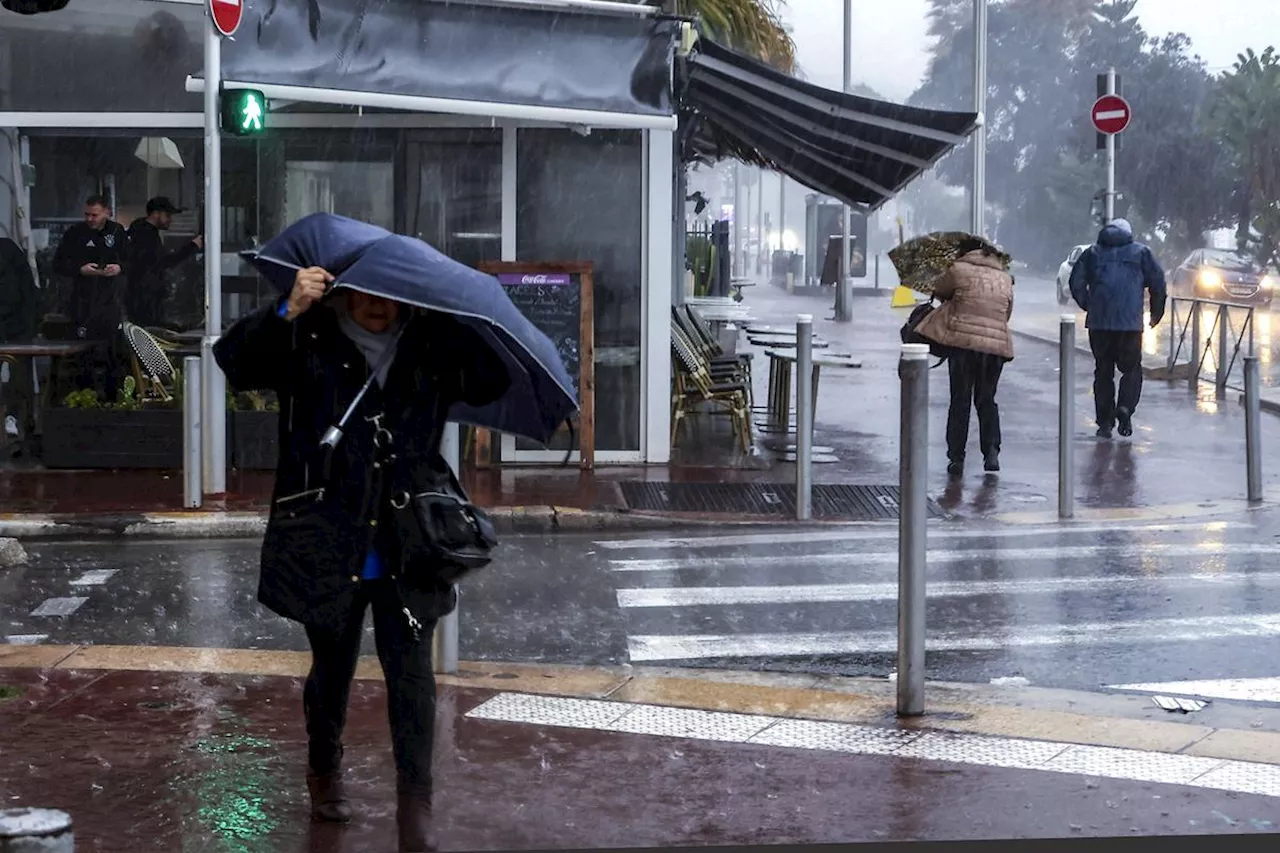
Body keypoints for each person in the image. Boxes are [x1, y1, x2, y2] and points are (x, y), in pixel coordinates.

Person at [213, 266, 510, 852]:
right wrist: (286, 309)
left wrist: (456, 319)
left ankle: (415, 802)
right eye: (367, 292)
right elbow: (237, 364)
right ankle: (324, 772)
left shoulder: (429, 342)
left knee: (412, 674)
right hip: (331, 532)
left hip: (410, 539)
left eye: (393, 294)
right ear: (343, 291)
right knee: (333, 667)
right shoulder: (310, 337)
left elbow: (487, 381)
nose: (379, 305)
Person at [914, 243, 1015, 477]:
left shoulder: (957, 269)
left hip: (963, 346)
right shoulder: (1004, 277)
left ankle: (956, 458)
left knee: (960, 400)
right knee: (987, 399)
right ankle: (991, 452)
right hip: (994, 348)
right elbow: (1007, 313)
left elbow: (940, 290)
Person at [1068, 217, 1166, 438]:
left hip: (1099, 324)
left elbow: (1076, 282)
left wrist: (1089, 304)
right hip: (1129, 325)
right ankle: (1125, 407)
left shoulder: (1092, 253)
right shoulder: (1141, 253)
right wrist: (1156, 313)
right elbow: (1158, 282)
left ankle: (1104, 422)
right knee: (1131, 369)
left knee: (1103, 371)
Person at [51, 194, 130, 400]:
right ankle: (83, 396)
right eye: (87, 215)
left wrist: (119, 268)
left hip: (110, 302)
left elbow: (133, 262)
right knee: (82, 354)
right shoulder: (75, 234)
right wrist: (81, 269)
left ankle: (113, 397)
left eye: (94, 215)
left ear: (106, 212)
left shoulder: (117, 232)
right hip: (82, 302)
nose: (90, 219)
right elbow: (58, 264)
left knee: (113, 352)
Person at [125, 196, 203, 328]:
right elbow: (161, 262)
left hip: (143, 296)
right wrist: (191, 247)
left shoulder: (142, 232)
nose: (170, 220)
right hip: (145, 299)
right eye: (167, 215)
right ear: (156, 214)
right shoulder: (146, 236)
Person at [0, 236, 39, 448]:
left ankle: (18, 418)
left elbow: (17, 293)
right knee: (20, 373)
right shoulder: (9, 249)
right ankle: (17, 418)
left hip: (18, 323)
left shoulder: (7, 250)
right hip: (14, 321)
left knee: (20, 375)